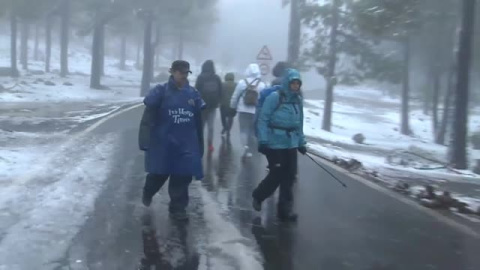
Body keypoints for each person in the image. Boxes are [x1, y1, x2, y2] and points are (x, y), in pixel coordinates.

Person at [140, 60, 205, 221]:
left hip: (185, 144)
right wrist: (145, 139)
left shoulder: (193, 94)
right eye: (180, 72)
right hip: (163, 143)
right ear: (172, 72)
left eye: (186, 73)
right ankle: (148, 192)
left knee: (182, 176)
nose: (183, 76)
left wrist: (199, 143)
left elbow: (198, 121)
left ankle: (178, 208)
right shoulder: (160, 92)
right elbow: (147, 119)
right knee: (158, 175)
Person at [252, 68, 307, 222]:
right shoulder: (274, 98)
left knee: (289, 177)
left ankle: (285, 211)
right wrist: (263, 140)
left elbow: (300, 123)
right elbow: (263, 119)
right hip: (274, 142)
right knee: (277, 174)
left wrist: (301, 142)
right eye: (293, 83)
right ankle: (258, 195)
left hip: (291, 143)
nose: (295, 86)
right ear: (287, 82)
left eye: (298, 83)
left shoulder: (298, 101)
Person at [230, 63, 266, 158]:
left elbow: (235, 96)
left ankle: (244, 147)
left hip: (242, 110)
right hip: (255, 110)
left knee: (243, 130)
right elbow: (264, 99)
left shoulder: (242, 82)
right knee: (251, 130)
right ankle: (250, 148)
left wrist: (233, 106)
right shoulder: (261, 85)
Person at [195, 60, 222, 153]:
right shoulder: (217, 78)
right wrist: (218, 101)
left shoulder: (200, 77)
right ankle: (210, 145)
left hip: (202, 106)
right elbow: (220, 90)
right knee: (211, 127)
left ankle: (199, 144)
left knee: (201, 126)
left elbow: (196, 90)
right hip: (213, 106)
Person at [220, 72, 237, 137]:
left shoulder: (222, 84)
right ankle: (228, 130)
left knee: (223, 117)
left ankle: (225, 127)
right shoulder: (236, 85)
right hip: (233, 104)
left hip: (223, 104)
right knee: (231, 117)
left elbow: (220, 93)